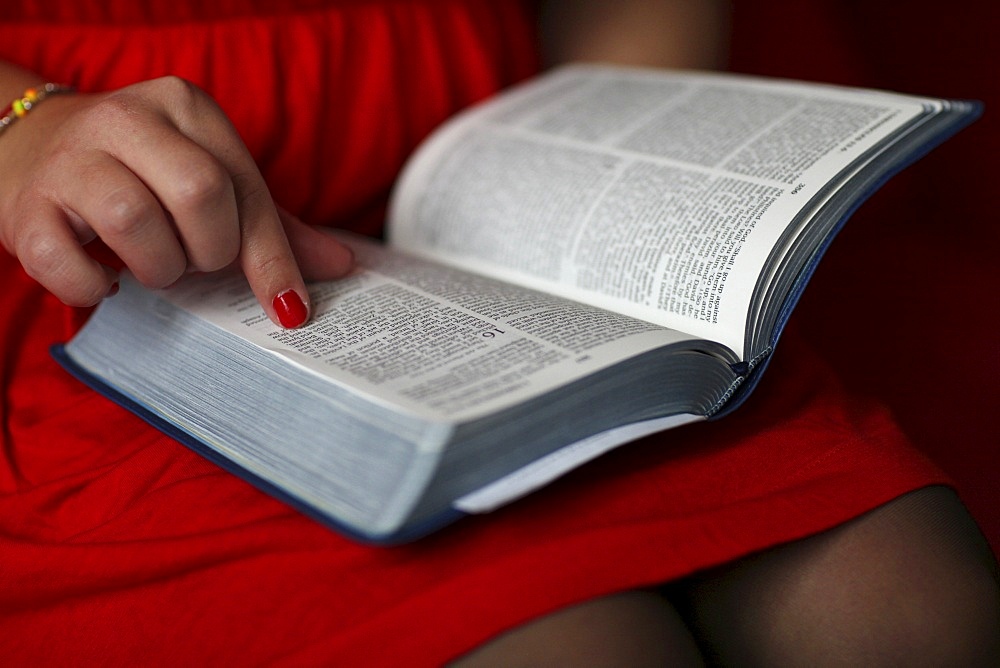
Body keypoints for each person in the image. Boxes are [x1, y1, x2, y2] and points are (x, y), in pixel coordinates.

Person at [0, 1, 996, 664]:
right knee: (575, 650)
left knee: (910, 611)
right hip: (102, 253)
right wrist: (22, 124)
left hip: (477, 185)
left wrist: (626, 178)